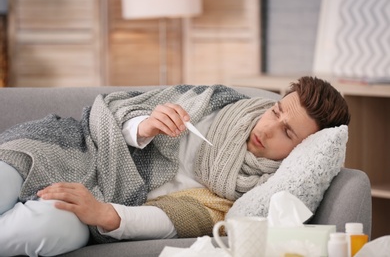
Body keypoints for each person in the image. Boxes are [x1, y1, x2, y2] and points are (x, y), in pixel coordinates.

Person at [0, 76, 350, 256]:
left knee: (45, 227)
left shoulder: (249, 194)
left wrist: (106, 213)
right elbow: (117, 111)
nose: (266, 128)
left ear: (303, 149)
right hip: (71, 148)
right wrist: (146, 125)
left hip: (98, 206)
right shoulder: (219, 102)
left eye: (286, 133)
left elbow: (176, 219)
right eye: (276, 112)